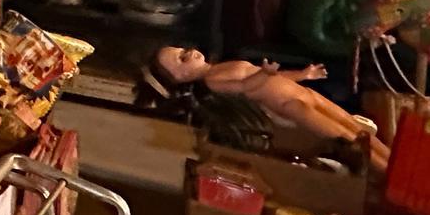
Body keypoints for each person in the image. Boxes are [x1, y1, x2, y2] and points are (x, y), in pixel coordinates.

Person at [151, 46, 389, 171]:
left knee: (353, 125)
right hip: (291, 105)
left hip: (302, 93)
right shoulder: (213, 80)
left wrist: (303, 74)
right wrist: (264, 74)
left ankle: (391, 158)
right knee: (349, 139)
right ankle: (387, 171)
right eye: (183, 58)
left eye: (184, 49)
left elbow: (275, 77)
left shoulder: (221, 66)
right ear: (180, 77)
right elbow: (244, 87)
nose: (190, 52)